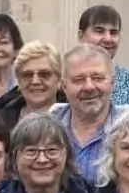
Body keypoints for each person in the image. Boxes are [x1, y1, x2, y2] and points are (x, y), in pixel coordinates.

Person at [50, 44, 123, 180]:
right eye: (78, 80)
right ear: (64, 86)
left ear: (113, 83)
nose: (89, 87)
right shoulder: (48, 127)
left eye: (98, 78)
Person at [75, 5, 129, 106]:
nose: (108, 39)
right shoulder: (67, 79)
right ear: (81, 36)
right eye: (99, 31)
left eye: (113, 32)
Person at [0, 41, 64, 130]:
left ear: (59, 80)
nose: (35, 81)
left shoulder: (75, 119)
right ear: (18, 80)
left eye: (44, 74)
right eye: (27, 75)